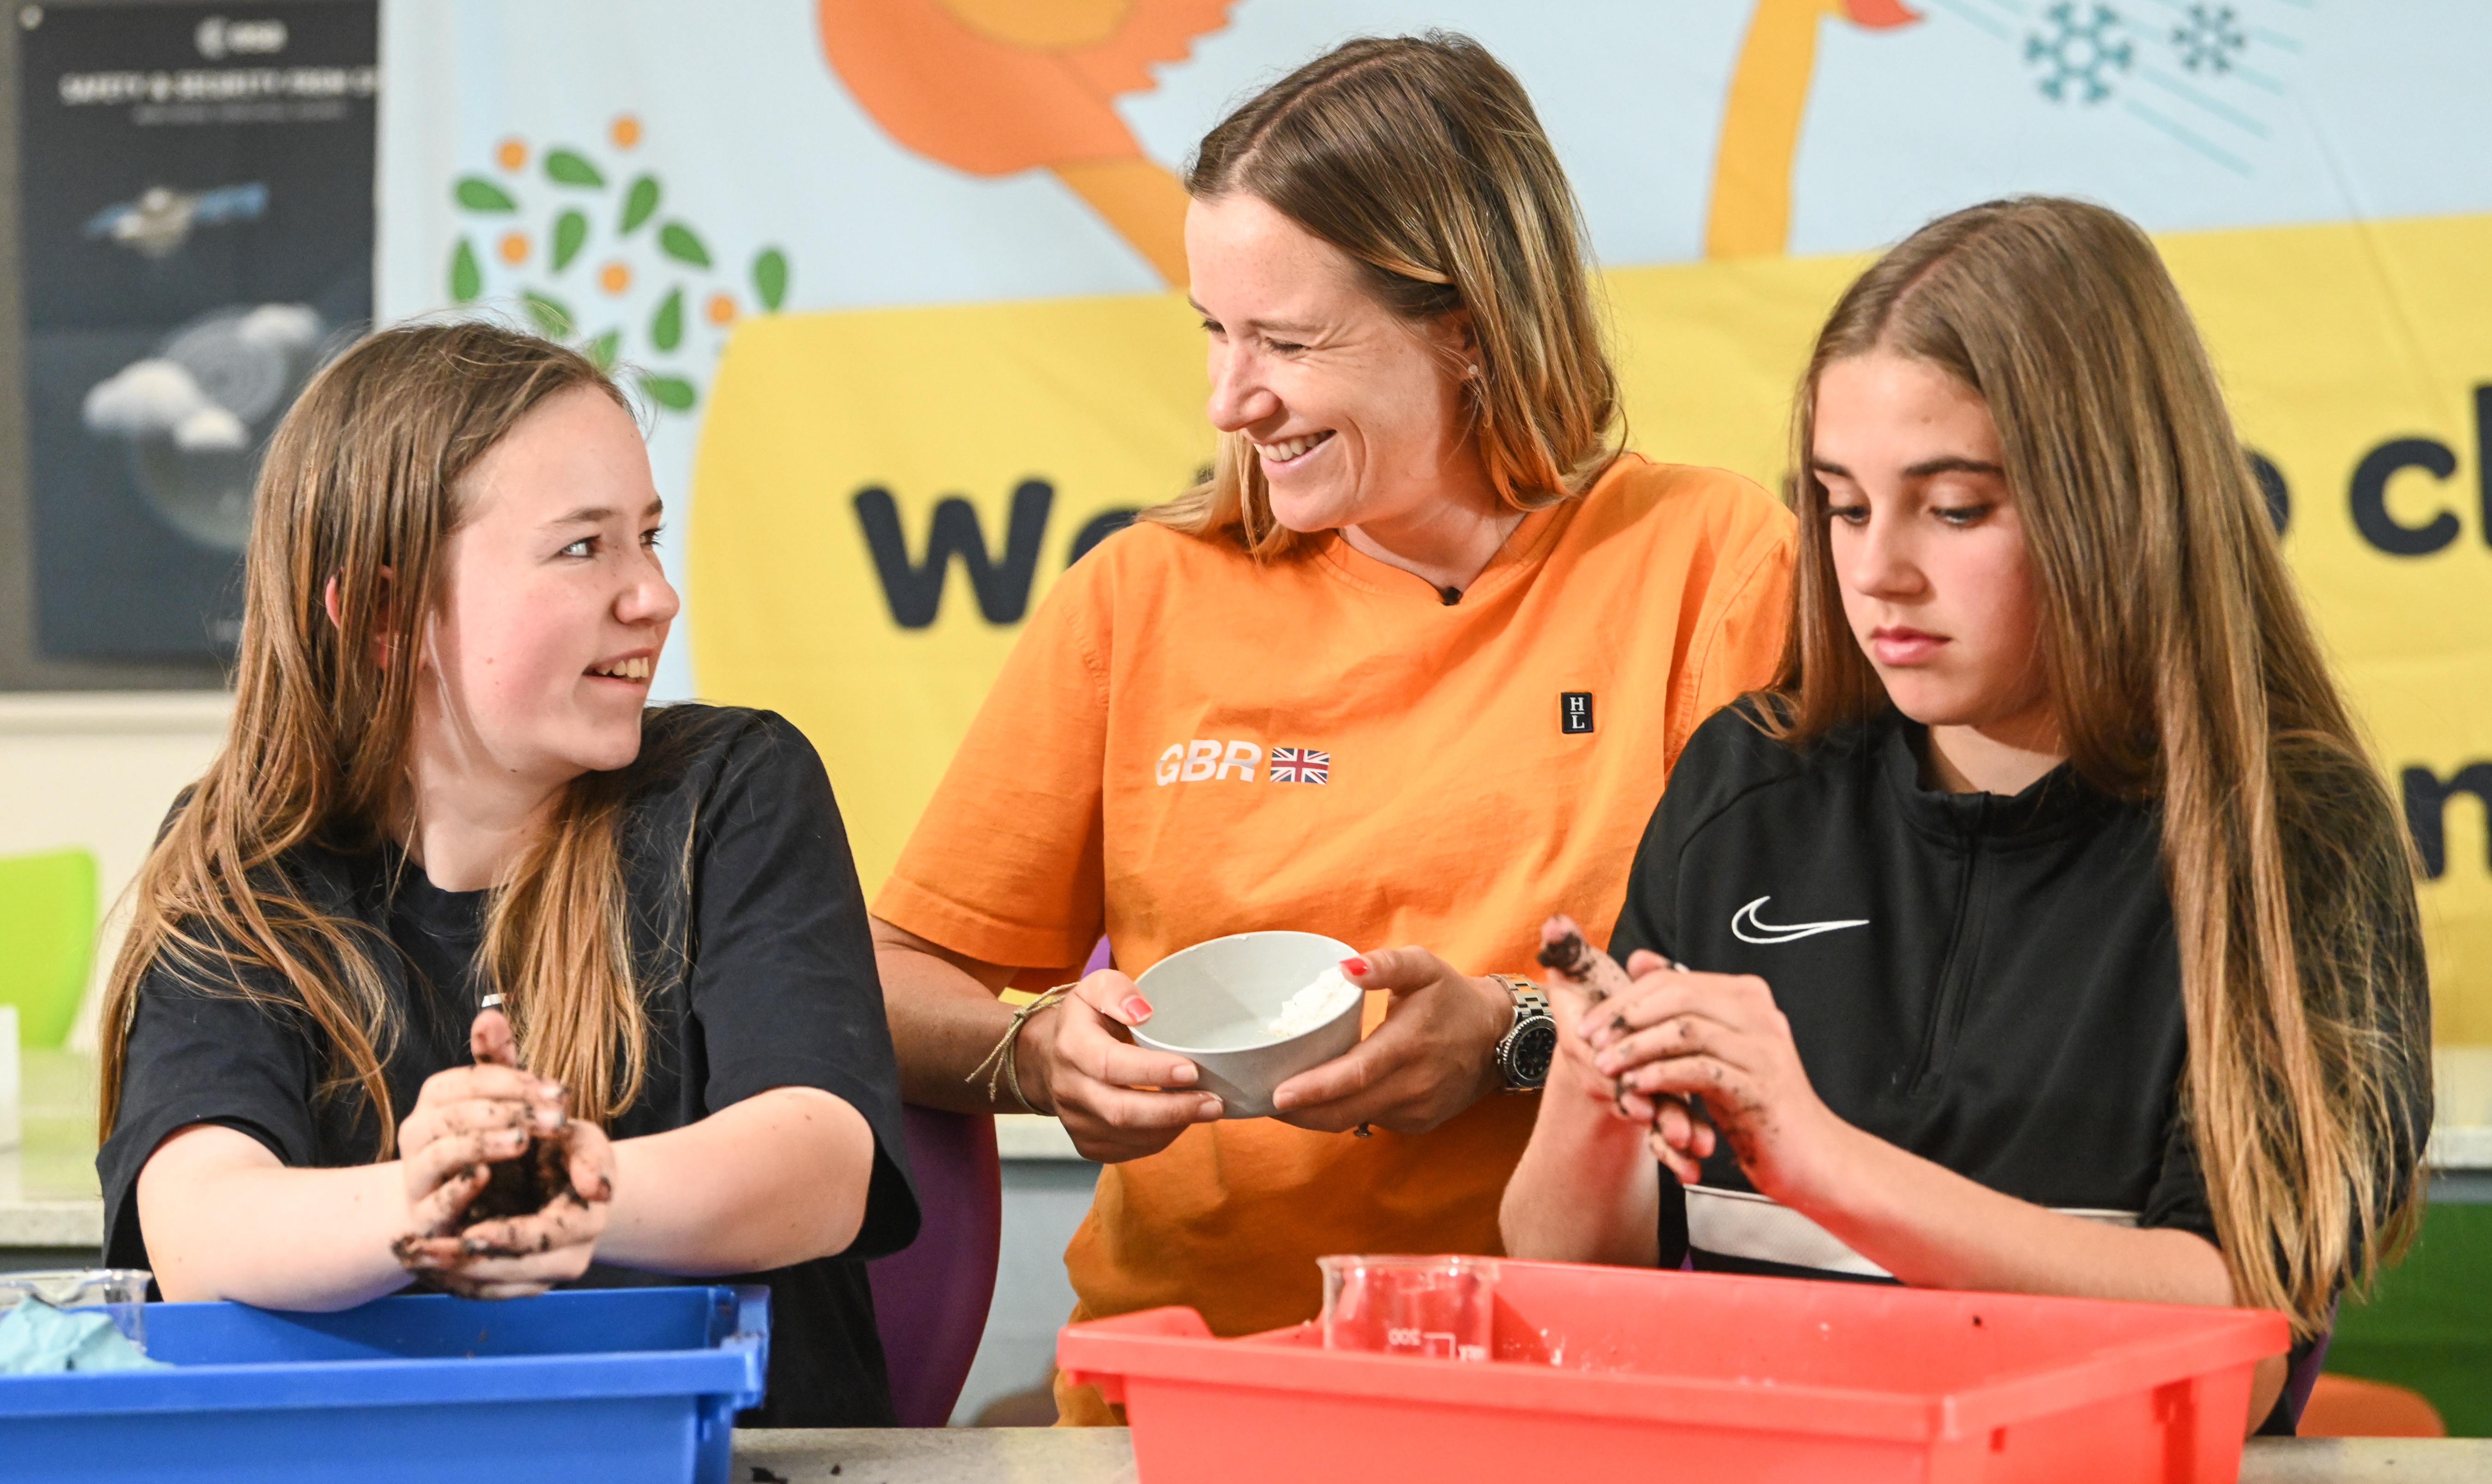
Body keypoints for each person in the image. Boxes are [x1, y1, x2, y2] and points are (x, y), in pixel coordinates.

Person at [871, 33, 1798, 1423]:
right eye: (1212, 330)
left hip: (1594, 1397)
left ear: (1468, 329)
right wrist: (1037, 1050)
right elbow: (887, 979)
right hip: (1185, 1394)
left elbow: (1807, 1024)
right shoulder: (1139, 593)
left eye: (1287, 342)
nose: (1228, 400)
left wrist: (1508, 1036)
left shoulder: (1710, 562)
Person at [1499, 196, 2431, 1436]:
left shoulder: (2288, 834)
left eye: (1951, 510)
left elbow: (2234, 1344)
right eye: (1840, 505)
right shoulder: (1744, 786)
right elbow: (1563, 1290)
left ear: (2116, 505)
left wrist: (1817, 1161)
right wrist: (1590, 1080)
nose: (1876, 568)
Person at [95, 322, 921, 1427]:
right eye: (585, 549)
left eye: (648, 539)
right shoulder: (243, 865)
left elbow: (820, 1163)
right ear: (387, 617)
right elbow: (201, 1229)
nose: (654, 598)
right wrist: (435, 1201)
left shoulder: (735, 786)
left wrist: (572, 1187)